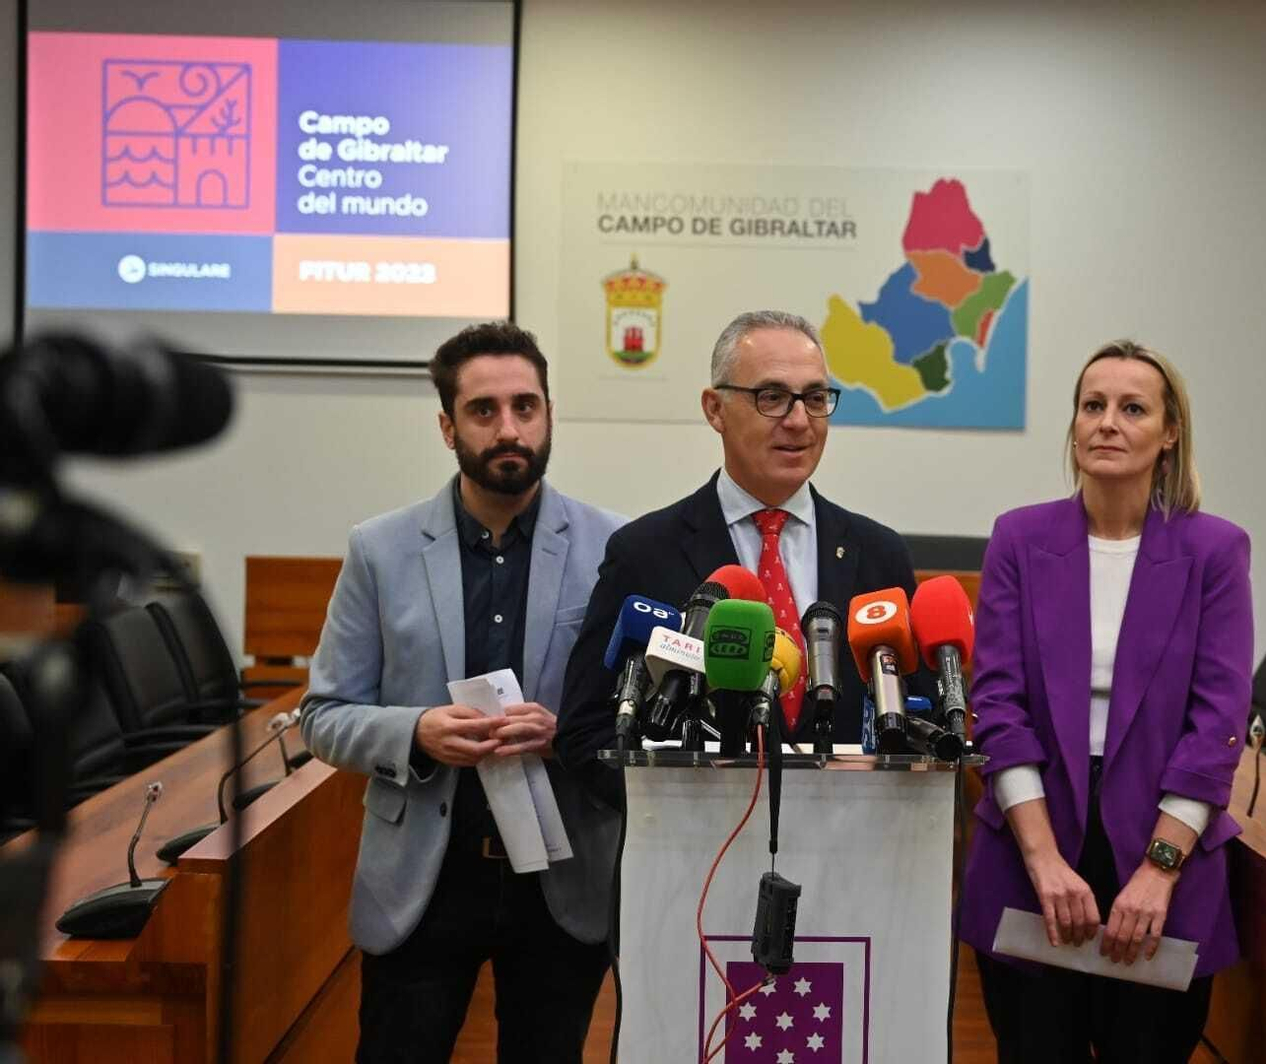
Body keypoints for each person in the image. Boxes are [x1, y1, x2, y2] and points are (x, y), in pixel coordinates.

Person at [300, 322, 626, 1063]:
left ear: (549, 414)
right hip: (423, 878)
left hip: (562, 880)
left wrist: (567, 735)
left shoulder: (614, 548)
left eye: (525, 406)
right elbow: (323, 715)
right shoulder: (379, 550)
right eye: (483, 410)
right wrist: (415, 732)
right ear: (448, 427)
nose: (508, 428)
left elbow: (638, 720)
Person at [957, 339, 1254, 1062]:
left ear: (1170, 432)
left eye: (1132, 409)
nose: (1108, 423)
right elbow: (997, 705)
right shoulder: (1020, 537)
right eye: (1093, 405)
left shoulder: (1214, 551)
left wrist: (1159, 870)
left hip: (1162, 854)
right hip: (1031, 846)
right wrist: (1043, 860)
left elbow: (1217, 722)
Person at [555, 309, 931, 787]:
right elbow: (585, 732)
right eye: (772, 397)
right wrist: (679, 805)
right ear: (715, 409)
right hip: (695, 831)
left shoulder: (879, 555)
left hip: (849, 828)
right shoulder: (644, 552)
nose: (799, 420)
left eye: (815, 398)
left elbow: (923, 721)